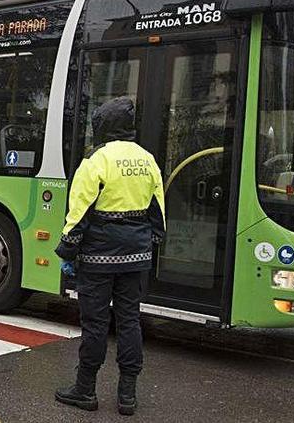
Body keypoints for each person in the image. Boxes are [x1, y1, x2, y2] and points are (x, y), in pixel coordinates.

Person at [53, 97, 165, 416]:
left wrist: (68, 251)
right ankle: (127, 395)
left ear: (103, 126)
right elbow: (158, 215)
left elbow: (79, 214)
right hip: (136, 257)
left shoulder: (96, 161)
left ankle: (85, 390)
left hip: (99, 258)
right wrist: (145, 245)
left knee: (96, 324)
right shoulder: (148, 160)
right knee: (130, 320)